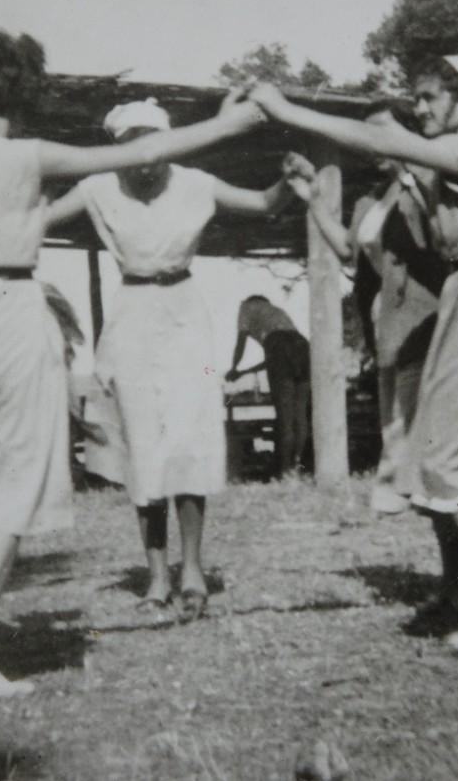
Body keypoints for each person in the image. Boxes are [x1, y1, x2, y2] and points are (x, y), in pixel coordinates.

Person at [0, 31, 265, 699]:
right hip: (7, 309)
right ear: (24, 95)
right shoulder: (26, 154)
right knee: (13, 487)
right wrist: (231, 123)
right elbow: (143, 149)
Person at [250, 55, 458, 657]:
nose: (420, 109)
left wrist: (285, 110)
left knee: (444, 457)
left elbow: (379, 138)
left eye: (428, 98)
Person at [46, 97, 299, 621]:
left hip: (186, 318)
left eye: (153, 142)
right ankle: (157, 573)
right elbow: (33, 221)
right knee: (143, 445)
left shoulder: (195, 183)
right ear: (115, 147)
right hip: (130, 318)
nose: (145, 157)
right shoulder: (95, 187)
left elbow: (263, 204)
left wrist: (289, 182)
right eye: (131, 145)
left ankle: (193, 569)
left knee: (190, 437)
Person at [290, 155, 458, 633]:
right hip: (392, 336)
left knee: (442, 462)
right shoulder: (368, 201)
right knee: (419, 466)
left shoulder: (424, 191)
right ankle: (457, 582)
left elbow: (440, 245)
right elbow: (348, 253)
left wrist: (414, 180)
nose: (374, 145)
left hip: (432, 330)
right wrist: (314, 202)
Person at [225, 295, 311, 477]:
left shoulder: (245, 306)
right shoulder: (277, 313)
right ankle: (296, 467)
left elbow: (242, 342)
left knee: (285, 416)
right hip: (303, 347)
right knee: (300, 414)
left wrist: (234, 368)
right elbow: (270, 361)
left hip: (279, 349)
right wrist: (243, 372)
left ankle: (284, 471)